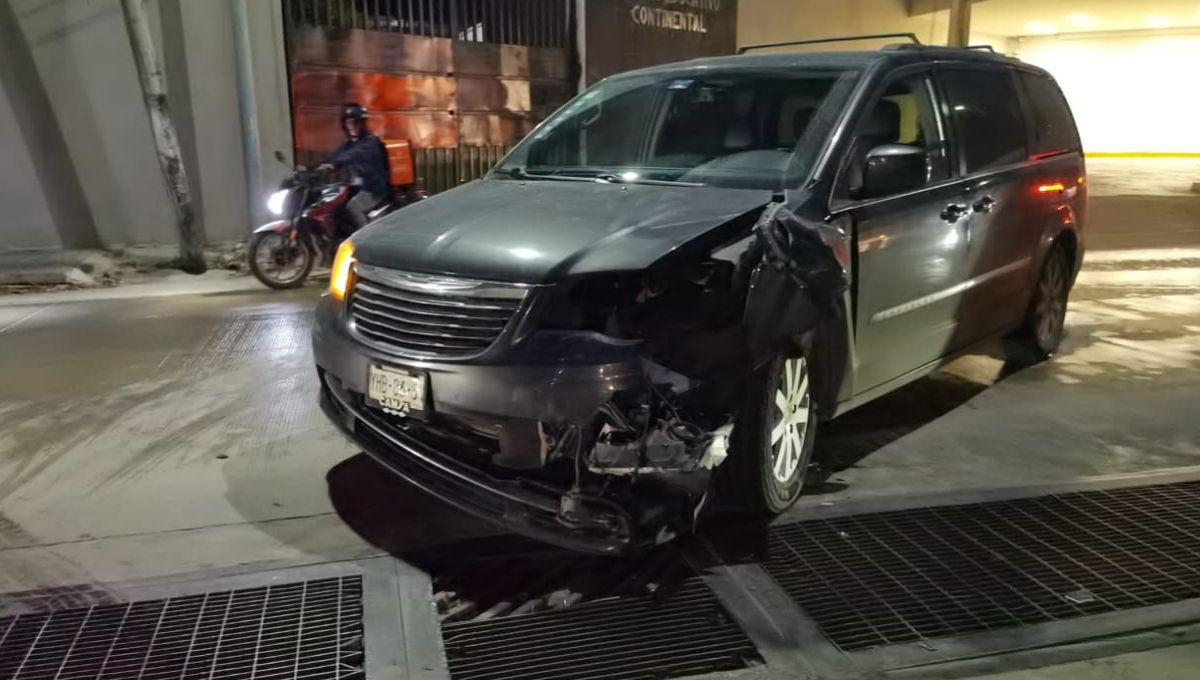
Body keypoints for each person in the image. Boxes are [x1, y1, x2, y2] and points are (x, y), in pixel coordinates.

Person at [318, 103, 390, 231]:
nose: (353, 126)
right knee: (331, 205)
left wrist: (335, 164)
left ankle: (364, 239)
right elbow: (337, 153)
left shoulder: (370, 141)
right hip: (355, 188)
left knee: (353, 207)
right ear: (344, 124)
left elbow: (353, 154)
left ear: (362, 123)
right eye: (349, 122)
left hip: (373, 188)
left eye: (356, 122)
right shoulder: (349, 142)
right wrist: (318, 165)